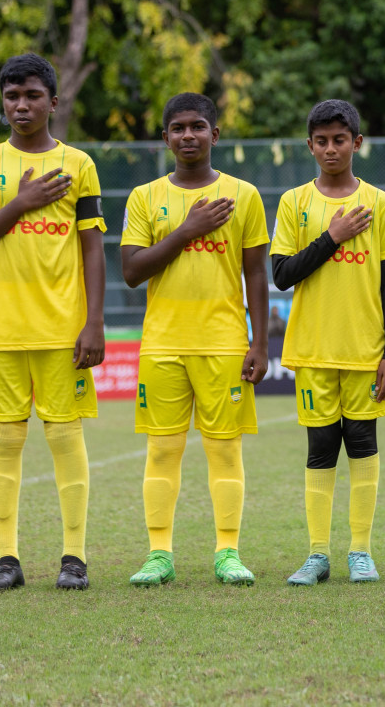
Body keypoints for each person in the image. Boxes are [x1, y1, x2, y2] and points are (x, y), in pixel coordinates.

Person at [0, 54, 106, 592]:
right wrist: (19, 204)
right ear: (2, 100)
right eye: (12, 95)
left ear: (53, 102)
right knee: (5, 437)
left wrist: (95, 322)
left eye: (33, 95)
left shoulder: (78, 164)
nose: (22, 104)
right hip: (0, 328)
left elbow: (92, 247)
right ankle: (7, 558)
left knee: (66, 435)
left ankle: (74, 558)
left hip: (63, 329)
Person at [120, 93, 269, 586]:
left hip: (224, 343)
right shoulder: (144, 197)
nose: (188, 135)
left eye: (198, 127)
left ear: (215, 135)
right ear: (165, 138)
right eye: (178, 128)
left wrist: (259, 342)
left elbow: (255, 274)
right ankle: (158, 554)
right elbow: (132, 271)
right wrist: (188, 229)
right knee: (163, 452)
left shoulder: (244, 195)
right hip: (162, 344)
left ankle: (228, 551)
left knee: (224, 452)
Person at [271, 100, 385, 586]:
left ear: (357, 143)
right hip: (313, 348)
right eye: (322, 141)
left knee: (363, 444)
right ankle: (317, 554)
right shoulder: (294, 203)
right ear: (310, 146)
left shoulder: (380, 203)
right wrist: (332, 236)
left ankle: (361, 552)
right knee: (321, 447)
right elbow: (282, 275)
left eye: (340, 139)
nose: (331, 148)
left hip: (366, 351)